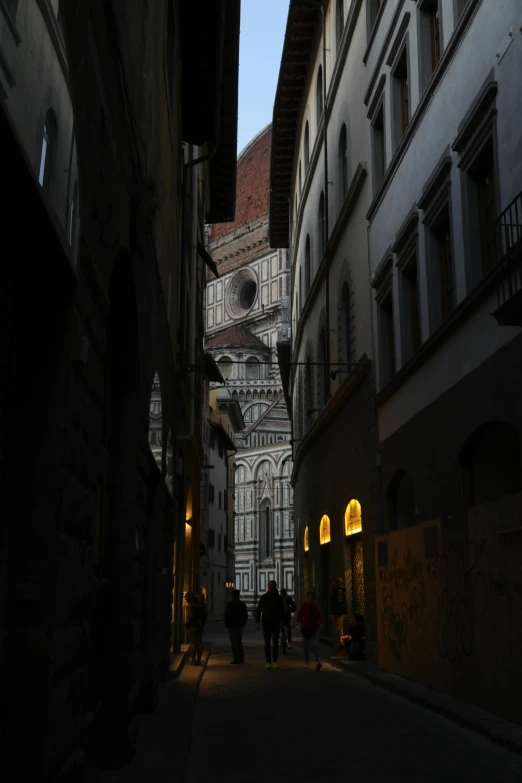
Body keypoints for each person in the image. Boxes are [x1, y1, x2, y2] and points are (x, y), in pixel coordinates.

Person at [255, 580, 285, 669]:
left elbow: (281, 611)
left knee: (275, 641)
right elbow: (258, 609)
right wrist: (257, 622)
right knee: (267, 642)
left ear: (275, 587)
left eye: (271, 586)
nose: (270, 588)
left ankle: (275, 661)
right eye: (269, 586)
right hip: (266, 623)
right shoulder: (264, 597)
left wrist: (283, 623)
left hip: (276, 623)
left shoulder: (279, 598)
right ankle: (268, 661)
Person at [297, 591, 322, 670]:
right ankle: (307, 662)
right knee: (306, 646)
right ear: (307, 597)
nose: (311, 598)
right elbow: (299, 617)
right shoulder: (304, 606)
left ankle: (317, 661)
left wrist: (318, 623)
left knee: (316, 645)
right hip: (306, 629)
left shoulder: (316, 606)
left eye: (312, 596)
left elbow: (319, 616)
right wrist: (303, 623)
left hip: (314, 628)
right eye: (309, 596)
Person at [224, 589, 248, 664]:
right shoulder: (242, 604)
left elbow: (226, 616)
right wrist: (243, 624)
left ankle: (236, 658)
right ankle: (241, 658)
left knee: (234, 643)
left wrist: (227, 625)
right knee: (238, 642)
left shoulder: (230, 605)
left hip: (232, 626)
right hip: (239, 626)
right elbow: (245, 616)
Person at [184, 591, 207, 666]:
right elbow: (204, 616)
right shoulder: (200, 606)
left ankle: (193, 661)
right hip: (199, 626)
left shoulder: (190, 606)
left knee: (193, 644)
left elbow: (191, 617)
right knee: (199, 643)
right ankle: (199, 660)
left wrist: (186, 623)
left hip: (192, 627)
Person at [330, 577, 347, 656]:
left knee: (339, 631)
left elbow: (339, 604)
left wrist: (334, 613)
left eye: (334, 582)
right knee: (338, 631)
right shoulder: (337, 591)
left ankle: (341, 648)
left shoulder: (338, 591)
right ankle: (339, 648)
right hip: (338, 614)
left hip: (338, 614)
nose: (332, 583)